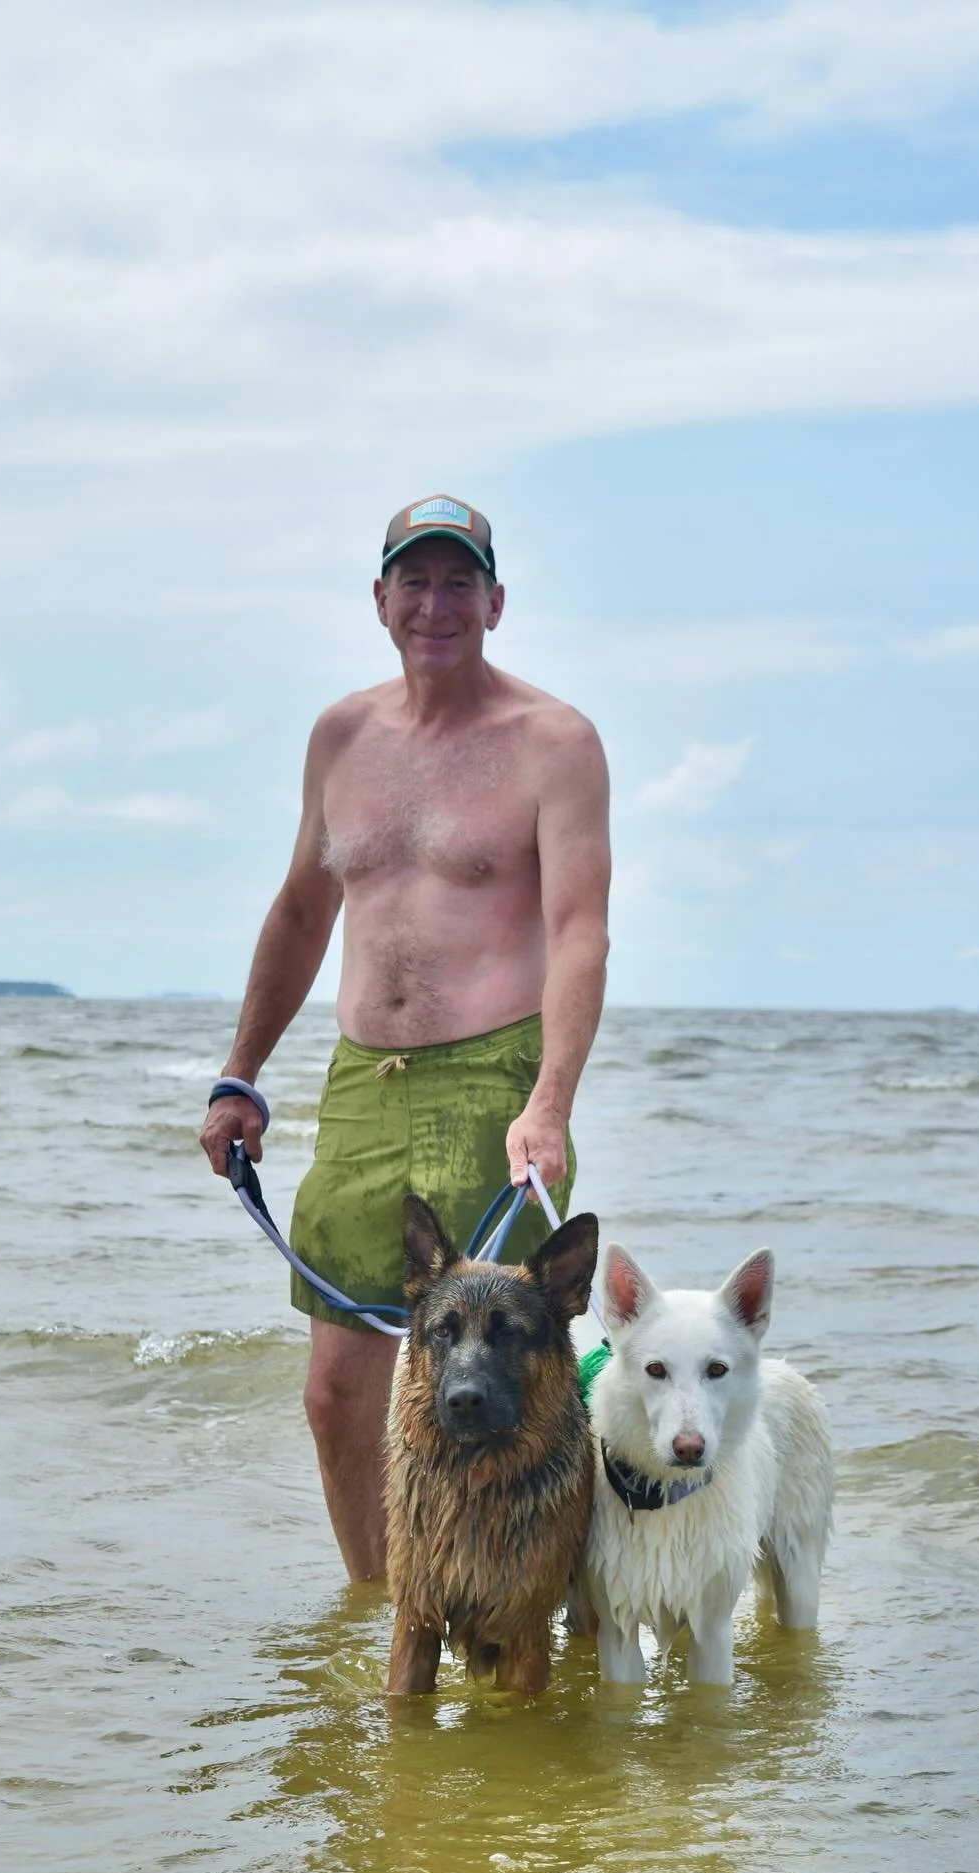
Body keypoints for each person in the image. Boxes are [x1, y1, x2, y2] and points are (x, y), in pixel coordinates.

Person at [200, 495, 611, 1581]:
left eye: (460, 582)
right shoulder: (342, 736)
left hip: (489, 1081)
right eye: (415, 581)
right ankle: (389, 1614)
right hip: (358, 1089)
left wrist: (550, 1101)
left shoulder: (553, 742)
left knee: (497, 1394)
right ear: (380, 599)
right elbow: (300, 911)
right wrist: (240, 1074)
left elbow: (580, 933)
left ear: (496, 601)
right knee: (339, 1397)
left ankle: (521, 1616)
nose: (437, 604)